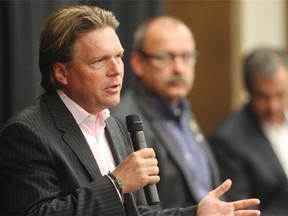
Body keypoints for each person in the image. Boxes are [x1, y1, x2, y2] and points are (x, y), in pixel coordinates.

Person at [0, 5, 260, 216]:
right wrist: (117, 183)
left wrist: (196, 214)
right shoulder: (27, 132)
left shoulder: (111, 125)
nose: (116, 70)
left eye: (119, 56)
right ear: (61, 72)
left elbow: (134, 213)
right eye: (99, 60)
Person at [111, 15, 221, 209]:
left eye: (187, 57)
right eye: (165, 57)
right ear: (138, 63)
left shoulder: (182, 109)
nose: (179, 68)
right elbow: (141, 209)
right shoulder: (125, 122)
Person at [208, 47, 288, 215]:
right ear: (249, 91)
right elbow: (242, 209)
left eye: (280, 95)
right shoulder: (228, 140)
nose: (273, 106)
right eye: (263, 96)